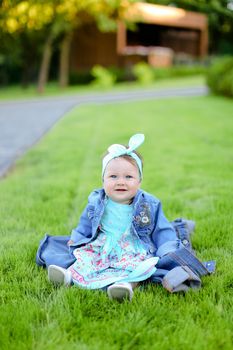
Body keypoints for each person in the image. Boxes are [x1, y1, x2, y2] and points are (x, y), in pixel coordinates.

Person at [47, 133, 186, 301]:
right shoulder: (97, 201)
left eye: (128, 177)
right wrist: (78, 237)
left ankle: (125, 286)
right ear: (103, 180)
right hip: (104, 244)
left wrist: (168, 248)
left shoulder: (149, 204)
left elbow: (162, 228)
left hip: (133, 246)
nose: (121, 182)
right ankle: (68, 275)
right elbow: (86, 222)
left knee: (138, 267)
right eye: (113, 176)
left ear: (139, 181)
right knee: (87, 258)